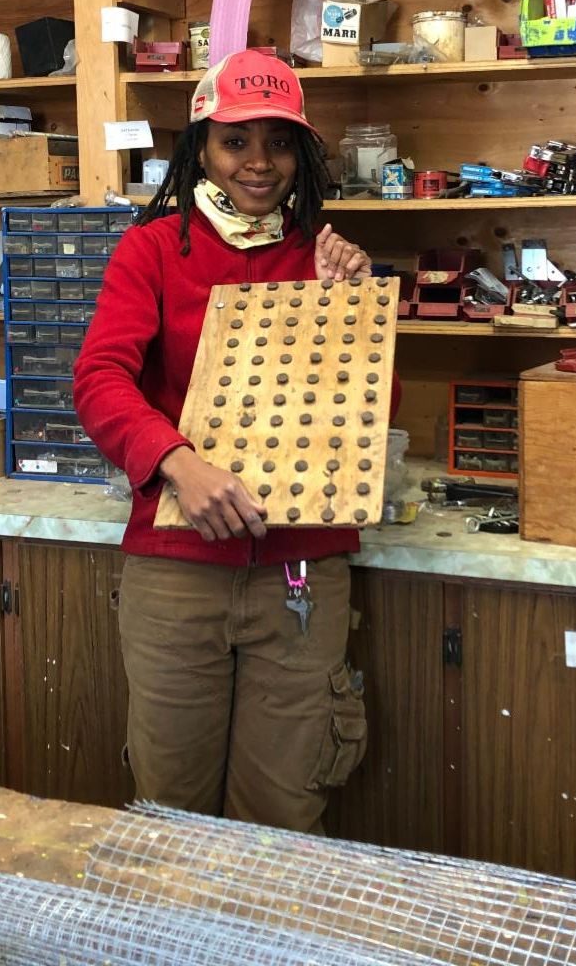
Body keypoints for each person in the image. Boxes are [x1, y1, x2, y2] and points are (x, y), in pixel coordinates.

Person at [73, 49, 398, 833]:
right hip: (177, 572)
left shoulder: (322, 258)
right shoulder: (154, 250)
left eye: (279, 143)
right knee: (172, 811)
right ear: (200, 149)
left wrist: (347, 314)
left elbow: (363, 413)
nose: (259, 162)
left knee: (283, 810)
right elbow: (99, 380)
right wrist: (179, 464)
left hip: (298, 571)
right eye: (235, 141)